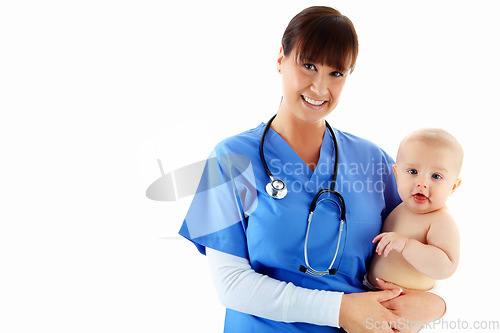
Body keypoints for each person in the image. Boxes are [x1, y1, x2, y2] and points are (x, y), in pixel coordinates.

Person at [179, 6, 446, 332]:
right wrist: (340, 310)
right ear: (280, 59)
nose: (320, 88)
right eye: (308, 66)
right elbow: (231, 284)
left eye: (336, 73)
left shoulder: (373, 161)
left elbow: (424, 249)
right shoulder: (230, 159)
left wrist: (438, 303)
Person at [367, 129, 462, 291]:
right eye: (413, 172)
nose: (422, 183)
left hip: (407, 306)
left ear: (453, 187)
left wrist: (406, 245)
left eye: (436, 176)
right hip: (370, 293)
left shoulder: (441, 220)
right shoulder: (398, 208)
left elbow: (446, 267)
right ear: (396, 175)